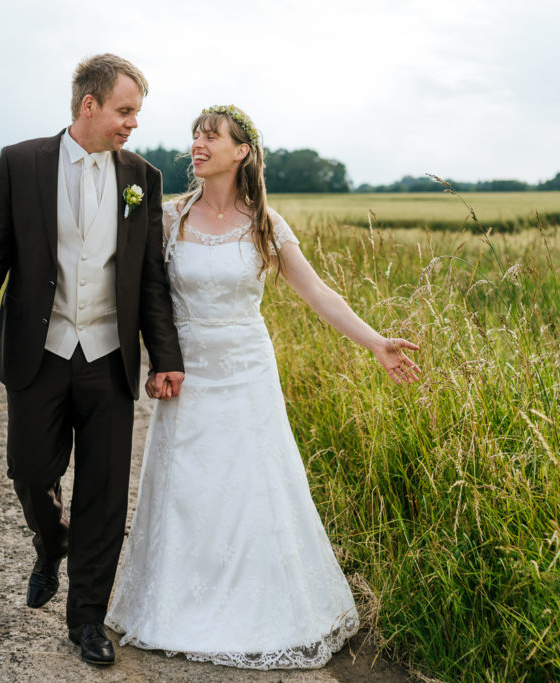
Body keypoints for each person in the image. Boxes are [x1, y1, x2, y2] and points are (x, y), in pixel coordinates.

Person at [105, 105, 420, 669]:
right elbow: (145, 295)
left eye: (211, 136)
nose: (197, 144)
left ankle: (265, 608)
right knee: (188, 486)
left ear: (241, 151)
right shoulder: (170, 217)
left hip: (247, 368)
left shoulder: (265, 224)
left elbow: (320, 294)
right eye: (194, 135)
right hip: (189, 372)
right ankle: (176, 604)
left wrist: (375, 342)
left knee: (254, 485)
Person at [0, 53, 184, 666]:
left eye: (136, 112)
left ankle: (86, 622)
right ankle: (51, 541)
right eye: (125, 110)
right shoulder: (21, 163)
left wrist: (164, 355)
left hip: (108, 358)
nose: (133, 123)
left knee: (104, 495)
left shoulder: (143, 177)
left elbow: (150, 280)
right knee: (29, 471)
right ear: (89, 106)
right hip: (40, 352)